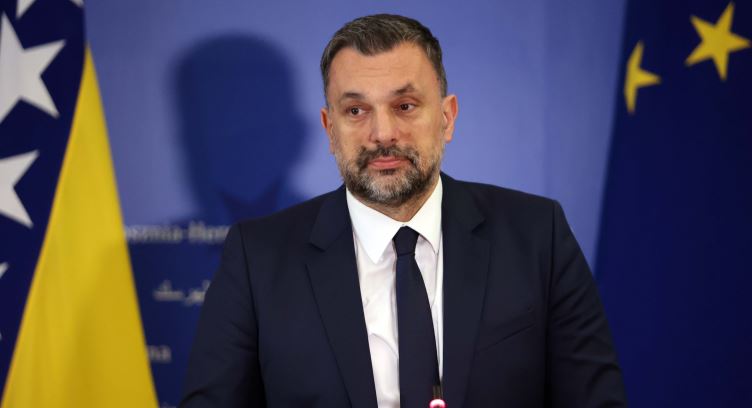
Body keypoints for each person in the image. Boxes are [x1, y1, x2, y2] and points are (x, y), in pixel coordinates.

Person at [180, 14, 627, 408]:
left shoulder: (537, 235)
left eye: (405, 106)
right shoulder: (257, 258)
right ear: (330, 129)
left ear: (447, 118)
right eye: (356, 110)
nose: (382, 133)